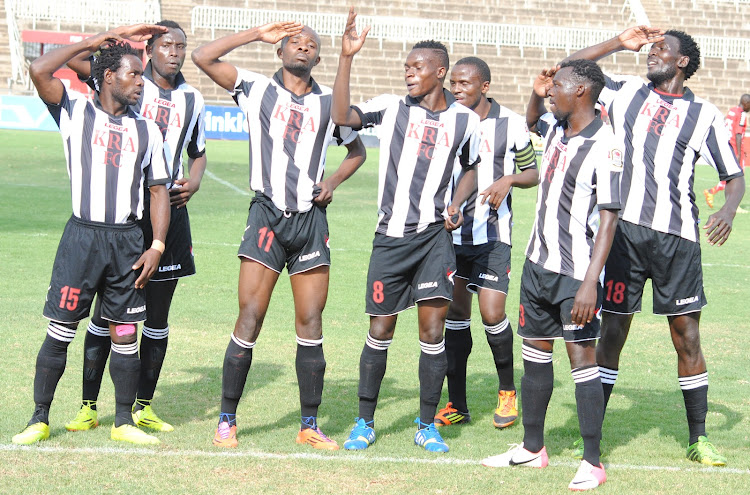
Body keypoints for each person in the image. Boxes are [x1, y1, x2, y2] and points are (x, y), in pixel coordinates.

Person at [565, 27, 744, 466]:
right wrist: (615, 43)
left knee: (687, 337)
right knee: (613, 332)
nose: (652, 52)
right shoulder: (625, 92)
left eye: (662, 48)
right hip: (622, 235)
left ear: (682, 61)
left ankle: (699, 438)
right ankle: (595, 434)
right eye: (651, 46)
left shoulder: (705, 114)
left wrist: (726, 210)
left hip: (676, 238)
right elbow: (571, 71)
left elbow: (735, 177)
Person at [192, 20, 366, 450]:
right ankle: (227, 420)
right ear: (280, 51)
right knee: (250, 316)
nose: (302, 49)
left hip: (310, 222)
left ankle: (309, 424)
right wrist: (253, 34)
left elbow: (356, 150)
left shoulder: (330, 102)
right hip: (267, 215)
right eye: (295, 42)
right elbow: (202, 57)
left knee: (310, 321)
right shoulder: (252, 88)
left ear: (319, 58)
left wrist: (334, 182)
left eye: (310, 46)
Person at [332, 8, 481, 453]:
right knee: (380, 330)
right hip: (390, 241)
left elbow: (472, 168)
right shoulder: (390, 107)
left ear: (441, 72)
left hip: (435, 239)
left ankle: (425, 424)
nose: (409, 75)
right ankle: (364, 421)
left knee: (433, 333)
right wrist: (346, 58)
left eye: (417, 68)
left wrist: (458, 201)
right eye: (406, 68)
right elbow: (342, 113)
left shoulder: (465, 120)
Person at [12, 32, 171, 446]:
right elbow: (40, 68)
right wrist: (98, 39)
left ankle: (122, 422)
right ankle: (39, 418)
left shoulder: (149, 131)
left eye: (142, 75)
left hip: (127, 243)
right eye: (133, 74)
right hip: (81, 239)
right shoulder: (74, 111)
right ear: (106, 78)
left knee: (124, 334)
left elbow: (158, 191)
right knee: (61, 329)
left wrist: (156, 245)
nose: (141, 81)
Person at [480, 59, 621, 492]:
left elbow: (610, 217)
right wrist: (535, 90)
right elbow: (528, 121)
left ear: (581, 91)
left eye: (557, 86)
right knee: (535, 356)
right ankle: (532, 448)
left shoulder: (606, 145)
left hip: (575, 273)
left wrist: (590, 282)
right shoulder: (558, 128)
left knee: (582, 360)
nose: (550, 91)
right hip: (537, 265)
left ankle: (592, 461)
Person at [63, 20, 207, 434]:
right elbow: (79, 64)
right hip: (124, 213)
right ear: (148, 50)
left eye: (181, 46)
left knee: (158, 316)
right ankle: (89, 405)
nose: (175, 52)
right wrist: (108, 39)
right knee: (105, 316)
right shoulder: (128, 84)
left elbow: (198, 151)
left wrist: (195, 180)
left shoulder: (193, 98)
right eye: (166, 45)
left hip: (168, 215)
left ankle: (143, 406)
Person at [433, 57, 537, 430]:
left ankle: (507, 392)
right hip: (449, 234)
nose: (457, 89)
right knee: (456, 318)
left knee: (492, 314)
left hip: (493, 236)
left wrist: (508, 180)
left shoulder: (510, 124)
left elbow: (532, 172)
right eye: (454, 83)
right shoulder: (444, 117)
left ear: (485, 86)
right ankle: (457, 403)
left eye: (465, 83)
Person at [704, 94, 750, 208]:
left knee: (731, 176)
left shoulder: (732, 111)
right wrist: (739, 153)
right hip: (736, 147)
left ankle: (711, 192)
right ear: (746, 103)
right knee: (738, 178)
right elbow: (738, 134)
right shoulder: (742, 114)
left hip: (729, 145)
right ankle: (734, 205)